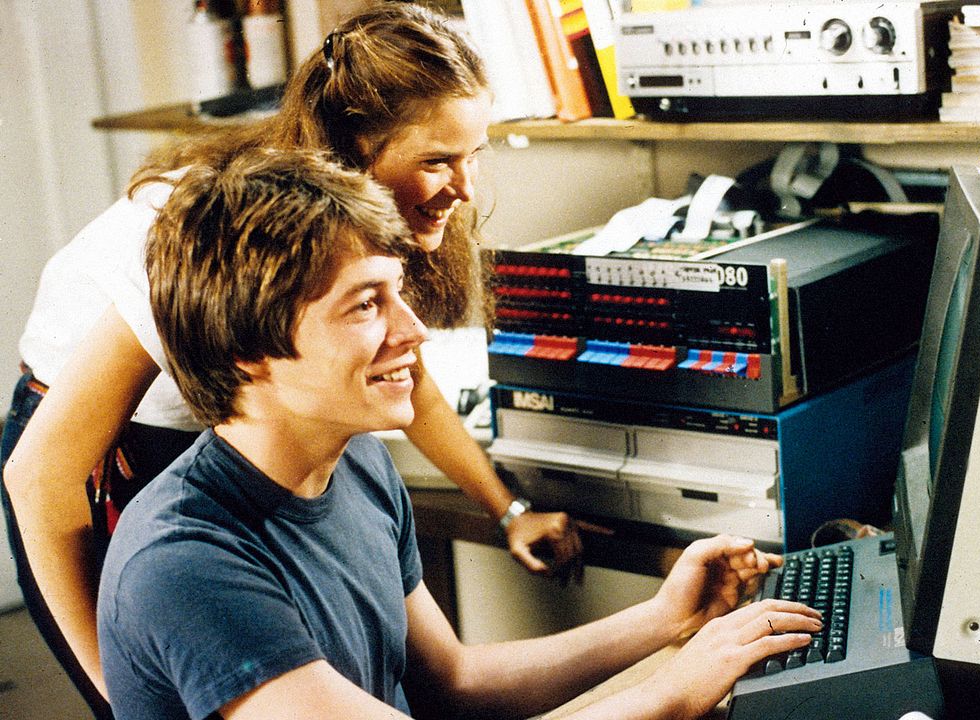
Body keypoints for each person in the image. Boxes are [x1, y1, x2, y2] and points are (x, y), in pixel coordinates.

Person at [98, 144, 821, 720]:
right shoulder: (185, 565)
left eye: (397, 294)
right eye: (364, 307)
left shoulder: (354, 465)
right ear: (244, 350)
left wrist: (663, 622)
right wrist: (672, 692)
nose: (411, 331)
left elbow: (453, 685)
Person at [1, 5, 584, 717]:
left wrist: (508, 510)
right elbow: (38, 477)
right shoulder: (218, 242)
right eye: (436, 160)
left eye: (474, 155)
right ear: (360, 146)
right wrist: (126, 692)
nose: (464, 188)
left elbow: (406, 369)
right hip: (90, 452)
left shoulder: (344, 230)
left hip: (219, 433)